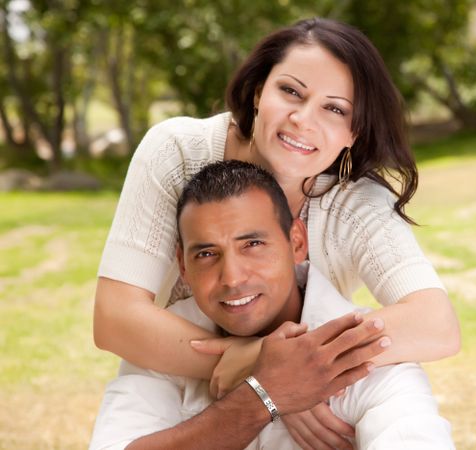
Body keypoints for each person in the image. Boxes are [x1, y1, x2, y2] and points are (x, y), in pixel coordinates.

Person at [94, 17, 460, 447]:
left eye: (335, 108)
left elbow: (435, 324)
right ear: (256, 94)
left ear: (352, 133)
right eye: (291, 91)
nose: (303, 120)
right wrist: (264, 372)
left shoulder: (354, 202)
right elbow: (116, 318)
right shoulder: (177, 152)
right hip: (175, 370)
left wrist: (297, 370)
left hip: (305, 376)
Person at [90, 161, 454, 450]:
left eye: (253, 245)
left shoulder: (373, 361)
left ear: (297, 242)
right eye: (206, 253)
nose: (232, 277)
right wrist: (264, 395)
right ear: (183, 265)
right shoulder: (163, 347)